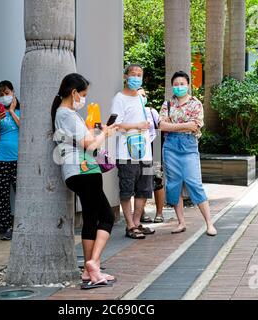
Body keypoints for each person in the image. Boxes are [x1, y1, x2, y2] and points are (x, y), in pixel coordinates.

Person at [52, 73, 117, 289]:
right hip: (85, 171)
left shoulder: (64, 114)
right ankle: (93, 262)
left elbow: (83, 140)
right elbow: (90, 146)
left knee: (90, 217)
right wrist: (105, 133)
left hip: (76, 172)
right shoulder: (67, 115)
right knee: (107, 216)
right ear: (73, 93)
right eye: (83, 94)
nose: (84, 98)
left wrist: (95, 132)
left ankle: (90, 273)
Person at [159, 71, 217, 236]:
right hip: (170, 148)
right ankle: (181, 222)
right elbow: (161, 125)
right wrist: (184, 125)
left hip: (189, 147)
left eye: (182, 84)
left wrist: (173, 126)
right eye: (176, 84)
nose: (179, 87)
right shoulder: (168, 104)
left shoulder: (195, 103)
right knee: (173, 183)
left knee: (194, 183)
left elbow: (195, 126)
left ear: (188, 85)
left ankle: (209, 223)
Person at [111, 64, 155, 240]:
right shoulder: (119, 99)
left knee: (144, 189)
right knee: (127, 190)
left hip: (145, 152)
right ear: (125, 77)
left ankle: (137, 222)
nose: (136, 77)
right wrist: (137, 126)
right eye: (133, 74)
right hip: (126, 153)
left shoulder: (140, 97)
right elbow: (115, 125)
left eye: (140, 74)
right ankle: (129, 225)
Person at [0, 80, 21, 241]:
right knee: (0, 195)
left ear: (13, 92)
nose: (4, 96)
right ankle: (6, 227)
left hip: (18, 159)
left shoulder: (21, 111)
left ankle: (21, 226)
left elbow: (25, 128)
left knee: (22, 194)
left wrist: (13, 111)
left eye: (6, 93)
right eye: (1, 94)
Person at [137, 87, 165, 224]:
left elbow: (161, 126)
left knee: (157, 179)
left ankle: (159, 213)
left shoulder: (151, 111)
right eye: (138, 95)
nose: (142, 97)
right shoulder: (129, 112)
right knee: (140, 180)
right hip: (137, 149)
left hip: (154, 145)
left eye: (143, 95)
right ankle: (141, 213)